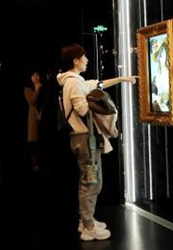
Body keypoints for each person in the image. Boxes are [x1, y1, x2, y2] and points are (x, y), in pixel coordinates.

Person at [56, 43, 136, 242]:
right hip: (85, 138)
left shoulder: (75, 80)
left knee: (89, 180)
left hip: (84, 137)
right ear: (76, 60)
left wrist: (121, 79)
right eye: (84, 57)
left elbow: (95, 84)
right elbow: (83, 110)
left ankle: (86, 220)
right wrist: (103, 105)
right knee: (92, 181)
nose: (87, 60)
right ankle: (89, 226)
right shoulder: (73, 82)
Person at [24, 69, 44, 172]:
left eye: (37, 75)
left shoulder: (44, 86)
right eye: (33, 76)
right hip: (33, 116)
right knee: (34, 140)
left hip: (44, 114)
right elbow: (31, 101)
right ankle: (35, 164)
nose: (35, 78)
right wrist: (36, 90)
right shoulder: (28, 88)